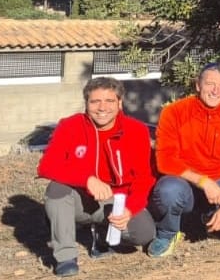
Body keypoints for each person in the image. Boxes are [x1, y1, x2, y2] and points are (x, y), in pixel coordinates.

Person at [38, 77, 155, 276]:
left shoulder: (136, 130)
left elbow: (144, 178)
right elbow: (46, 166)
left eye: (109, 101)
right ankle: (65, 256)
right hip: (80, 198)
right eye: (95, 101)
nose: (102, 108)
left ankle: (101, 232)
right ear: (86, 104)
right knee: (56, 188)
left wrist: (130, 209)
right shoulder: (70, 126)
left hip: (117, 200)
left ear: (119, 103)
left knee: (143, 233)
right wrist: (87, 179)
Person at [148, 64, 220, 257]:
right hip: (184, 180)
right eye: (209, 84)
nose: (215, 90)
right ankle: (167, 232)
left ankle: (211, 216)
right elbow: (165, 160)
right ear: (198, 85)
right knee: (169, 190)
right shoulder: (174, 113)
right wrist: (203, 181)